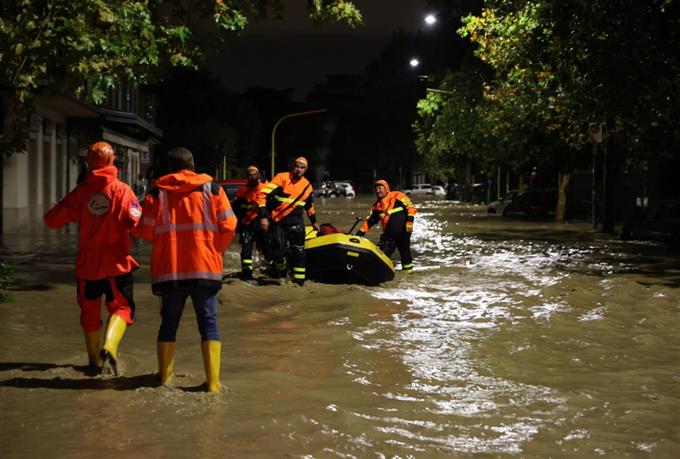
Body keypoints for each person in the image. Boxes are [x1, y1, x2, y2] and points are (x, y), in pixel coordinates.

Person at [134, 147, 237, 392]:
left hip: (170, 271)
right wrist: (216, 250)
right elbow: (230, 225)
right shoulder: (214, 190)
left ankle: (164, 380)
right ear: (193, 166)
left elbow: (145, 231)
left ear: (169, 168)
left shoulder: (157, 193)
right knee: (209, 323)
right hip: (205, 268)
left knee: (169, 323)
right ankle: (213, 385)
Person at [44, 141, 141, 375]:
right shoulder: (123, 190)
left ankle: (94, 364)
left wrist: (64, 207)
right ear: (113, 160)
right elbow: (136, 223)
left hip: (87, 266)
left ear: (89, 162)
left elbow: (52, 220)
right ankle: (110, 346)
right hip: (117, 263)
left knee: (89, 313)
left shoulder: (80, 193)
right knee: (122, 308)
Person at [257, 157, 320, 285]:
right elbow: (262, 195)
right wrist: (263, 217)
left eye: (302, 168)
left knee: (299, 253)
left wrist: (314, 221)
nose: (299, 170)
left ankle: (299, 282)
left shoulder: (307, 186)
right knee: (278, 253)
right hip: (278, 223)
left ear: (305, 170)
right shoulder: (281, 178)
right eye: (297, 166)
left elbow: (309, 205)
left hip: (296, 223)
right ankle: (282, 274)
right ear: (293, 167)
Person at [356, 179, 417, 273]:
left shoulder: (398, 196)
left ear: (386, 188)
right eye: (376, 189)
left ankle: (408, 274)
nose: (378, 191)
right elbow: (369, 222)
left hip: (403, 232)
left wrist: (410, 222)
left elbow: (411, 208)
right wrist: (358, 235)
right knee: (381, 255)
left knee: (405, 254)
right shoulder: (376, 206)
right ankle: (381, 273)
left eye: (380, 188)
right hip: (388, 235)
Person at [232, 165, 271, 279]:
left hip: (260, 224)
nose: (252, 176)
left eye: (254, 174)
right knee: (246, 250)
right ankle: (246, 274)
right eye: (250, 175)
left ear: (258, 175)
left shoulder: (265, 188)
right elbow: (236, 209)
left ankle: (270, 270)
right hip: (246, 224)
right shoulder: (242, 191)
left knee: (265, 248)